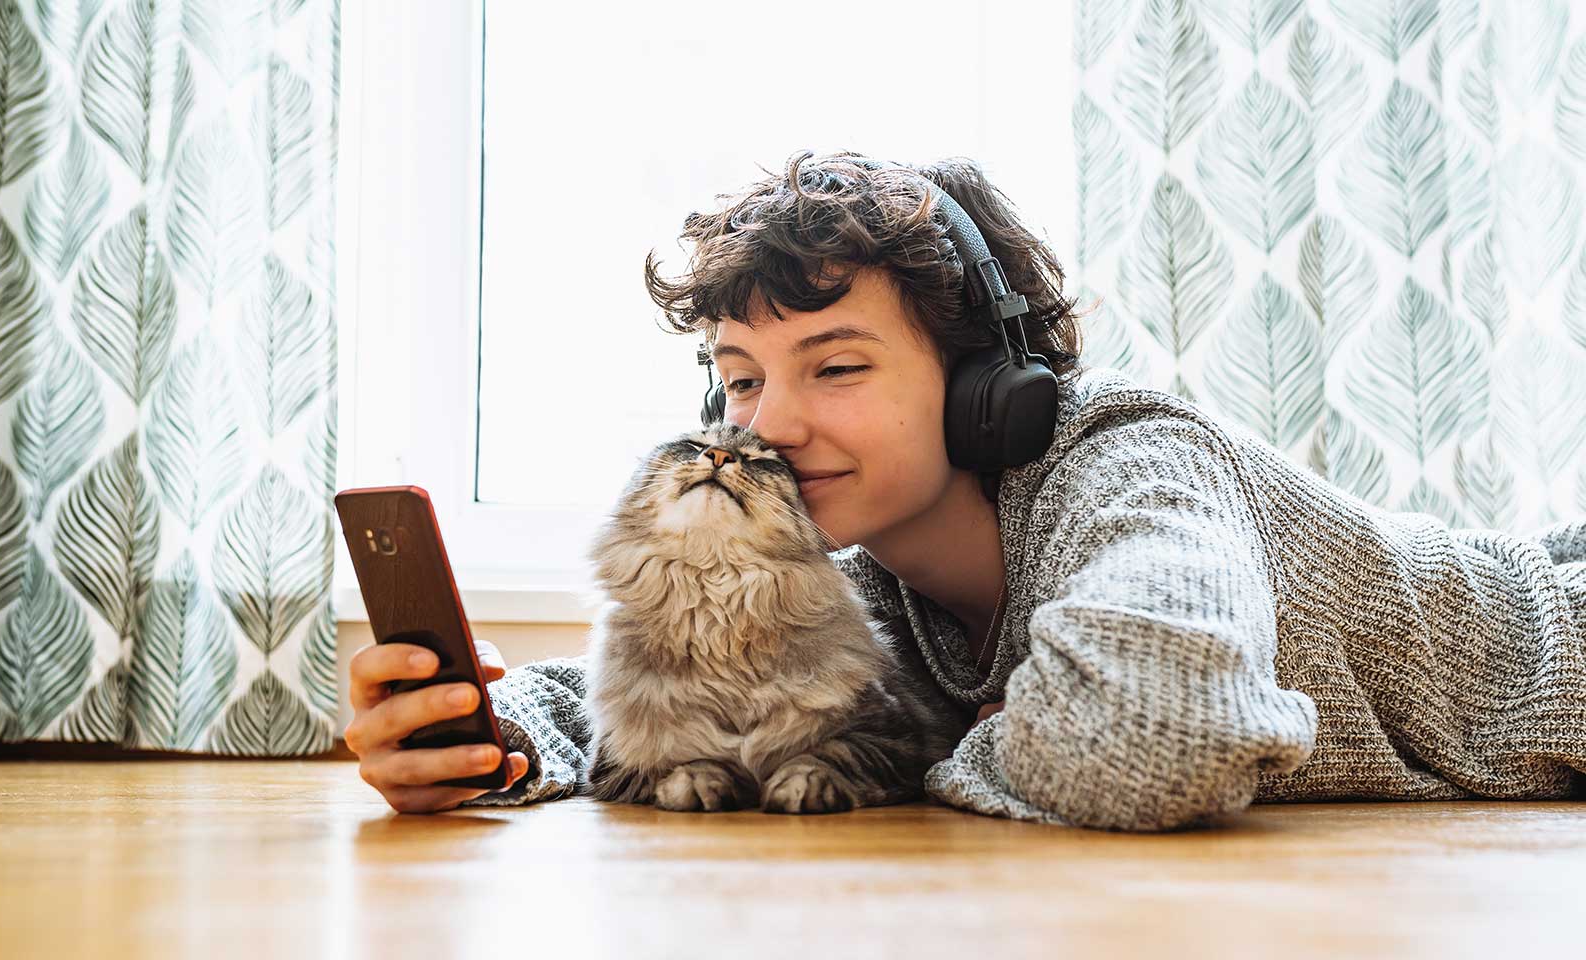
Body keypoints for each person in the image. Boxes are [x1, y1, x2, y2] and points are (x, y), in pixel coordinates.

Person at [345, 150, 1586, 829]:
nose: (765, 424)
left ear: (984, 383)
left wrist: (927, 758)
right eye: (735, 379)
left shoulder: (1127, 460)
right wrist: (493, 738)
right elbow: (707, 695)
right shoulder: (879, 583)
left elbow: (1160, 738)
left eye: (833, 366)